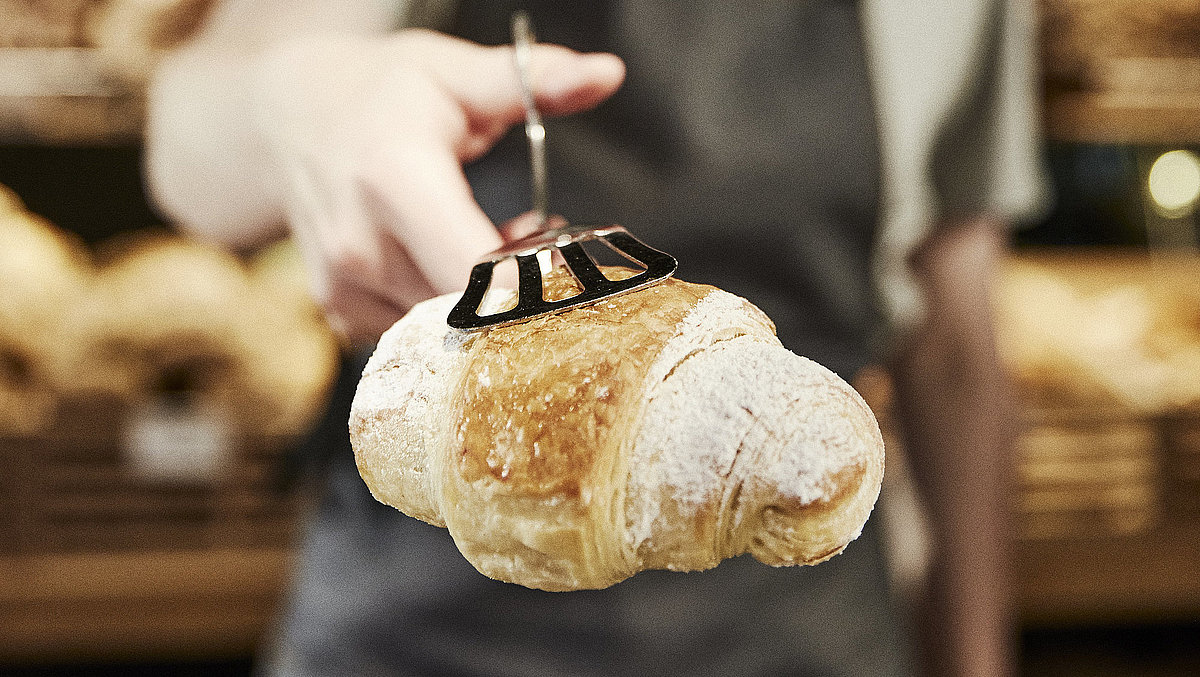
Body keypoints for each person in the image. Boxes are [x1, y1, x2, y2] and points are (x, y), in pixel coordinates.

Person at [145, 1, 1047, 675]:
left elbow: (957, 353)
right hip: (422, 633)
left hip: (801, 627)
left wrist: (976, 660)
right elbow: (190, 127)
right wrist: (296, 100)